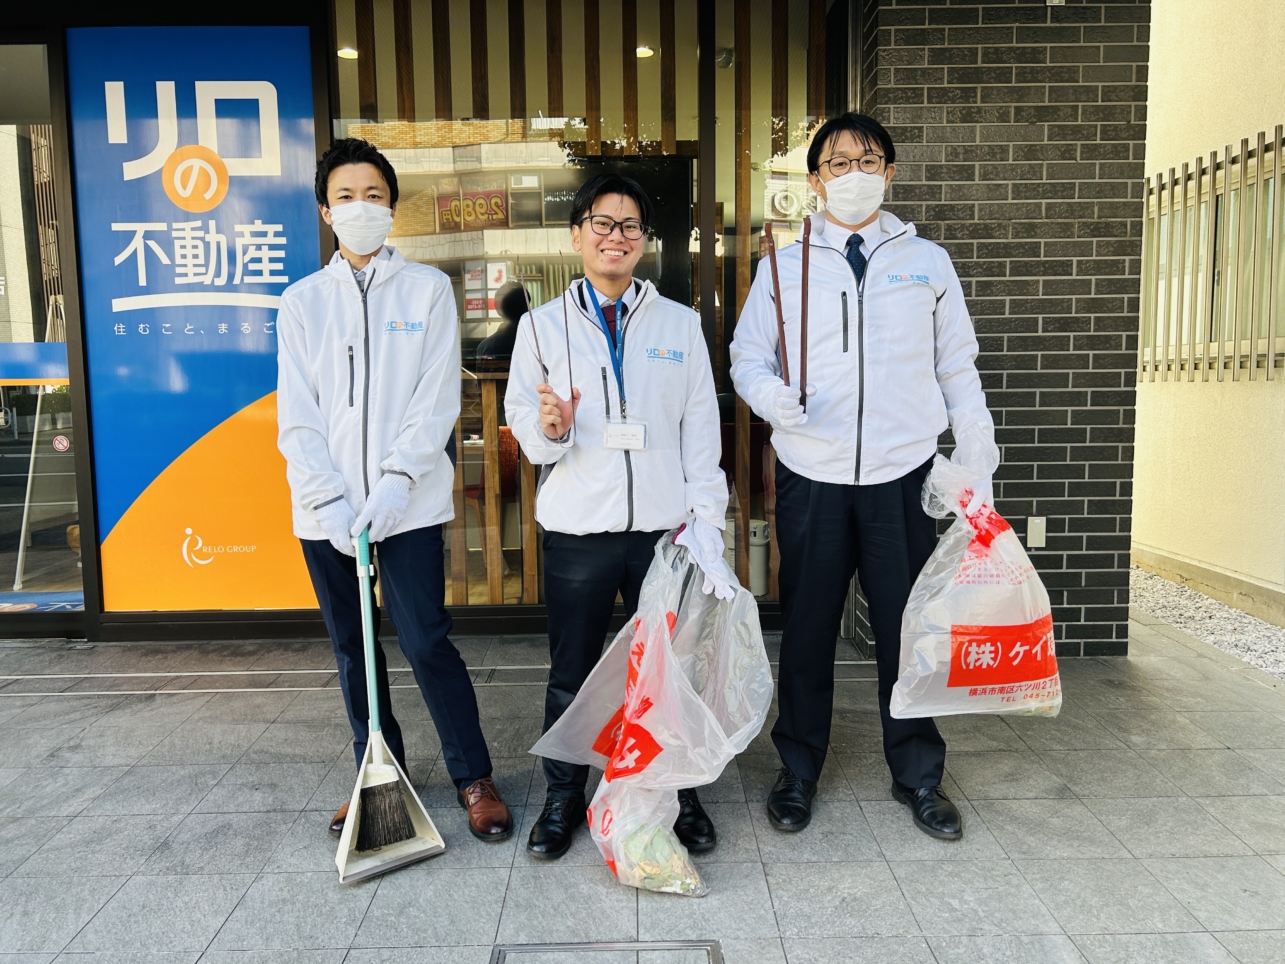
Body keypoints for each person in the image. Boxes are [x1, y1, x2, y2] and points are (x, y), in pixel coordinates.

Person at [730, 113, 996, 841]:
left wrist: (975, 451)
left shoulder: (926, 263)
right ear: (814, 179)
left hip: (898, 474)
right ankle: (798, 769)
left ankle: (917, 773)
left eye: (867, 160)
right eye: (837, 163)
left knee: (907, 629)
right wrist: (768, 396)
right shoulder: (782, 267)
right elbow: (745, 356)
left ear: (890, 172)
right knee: (809, 627)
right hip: (810, 473)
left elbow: (956, 367)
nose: (853, 174)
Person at [276, 138, 513, 843]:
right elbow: (299, 416)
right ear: (325, 210)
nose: (360, 208)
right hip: (325, 514)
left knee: (425, 639)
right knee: (353, 648)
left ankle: (473, 775)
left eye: (373, 196)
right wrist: (330, 502)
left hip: (406, 508)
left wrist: (394, 486)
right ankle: (378, 773)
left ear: (392, 207)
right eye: (345, 197)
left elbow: (436, 401)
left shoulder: (426, 290)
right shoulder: (301, 302)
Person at [506, 174, 735, 859]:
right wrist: (550, 427)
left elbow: (701, 425)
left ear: (644, 242)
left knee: (667, 668)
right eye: (601, 224)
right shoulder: (541, 327)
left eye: (629, 226)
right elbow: (527, 424)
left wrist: (705, 520)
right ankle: (561, 796)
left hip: (663, 530)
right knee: (570, 670)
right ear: (576, 235)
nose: (615, 237)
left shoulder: (677, 324)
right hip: (578, 530)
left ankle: (677, 790)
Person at [474, 280, 528, 365]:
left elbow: (485, 377)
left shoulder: (486, 347)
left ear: (498, 307)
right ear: (527, 305)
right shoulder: (541, 341)